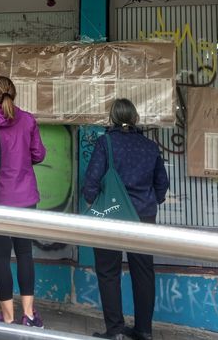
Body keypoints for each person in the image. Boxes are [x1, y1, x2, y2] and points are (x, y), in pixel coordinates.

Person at [83, 99, 169, 340]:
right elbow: (162, 185)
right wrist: (151, 201)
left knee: (108, 271)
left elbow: (91, 181)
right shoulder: (150, 146)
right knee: (143, 272)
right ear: (135, 119)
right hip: (143, 216)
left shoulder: (106, 143)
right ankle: (144, 331)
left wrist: (92, 201)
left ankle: (115, 330)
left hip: (111, 215)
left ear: (111, 118)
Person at [0, 76, 46, 327]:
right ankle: (29, 315)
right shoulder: (28, 120)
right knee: (25, 254)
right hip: (25, 197)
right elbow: (38, 154)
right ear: (14, 94)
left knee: (1, 257)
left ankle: (8, 317)